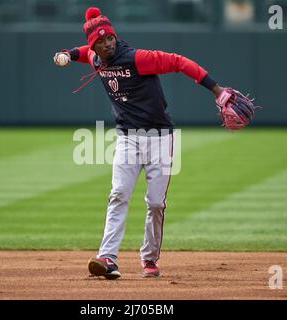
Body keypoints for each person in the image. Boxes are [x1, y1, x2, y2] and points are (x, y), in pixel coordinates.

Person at [54, 7, 225, 280]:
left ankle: (149, 258)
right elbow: (82, 52)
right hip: (126, 138)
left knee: (156, 203)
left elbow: (179, 62)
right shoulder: (96, 57)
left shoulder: (138, 59)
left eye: (110, 37)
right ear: (94, 45)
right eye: (102, 40)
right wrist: (66, 54)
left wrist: (217, 90)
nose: (108, 42)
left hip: (159, 137)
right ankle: (108, 258)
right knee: (119, 193)